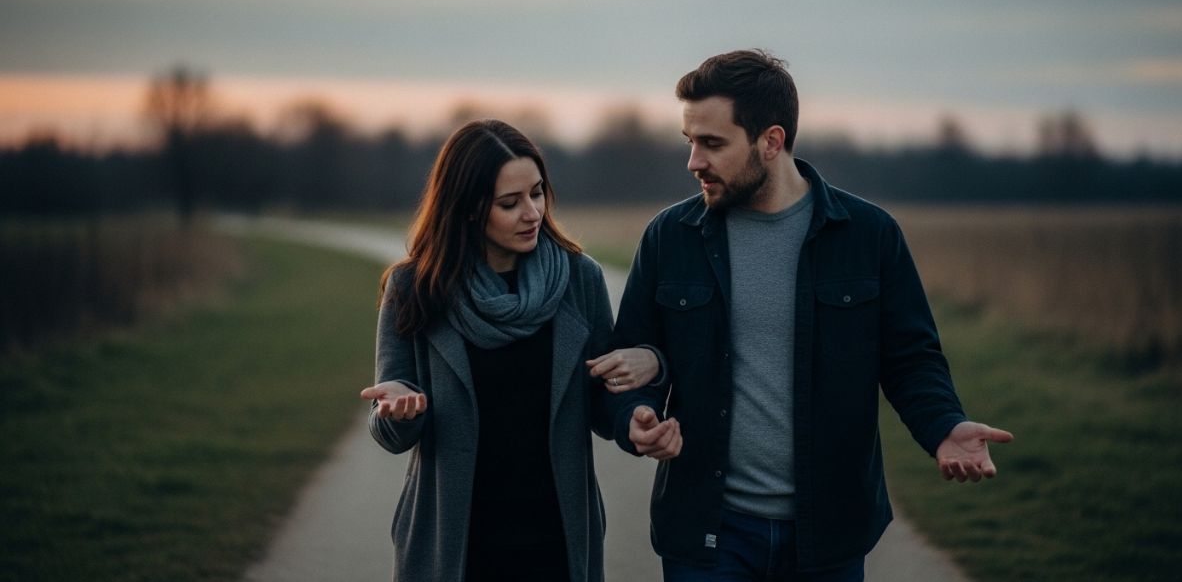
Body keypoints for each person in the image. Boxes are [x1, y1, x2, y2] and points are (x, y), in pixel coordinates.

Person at [600, 50, 1014, 581]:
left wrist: (944, 426)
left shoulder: (868, 236)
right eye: (690, 142)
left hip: (829, 533)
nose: (694, 162)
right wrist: (637, 417)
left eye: (713, 143)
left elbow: (910, 358)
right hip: (707, 533)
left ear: (771, 142)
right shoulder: (670, 237)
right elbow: (636, 353)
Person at [360, 119, 661, 582]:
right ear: (467, 209)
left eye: (537, 193)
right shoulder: (415, 288)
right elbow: (393, 427)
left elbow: (604, 396)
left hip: (556, 541)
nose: (532, 213)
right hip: (453, 544)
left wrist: (632, 420)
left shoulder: (580, 280)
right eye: (510, 203)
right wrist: (400, 412)